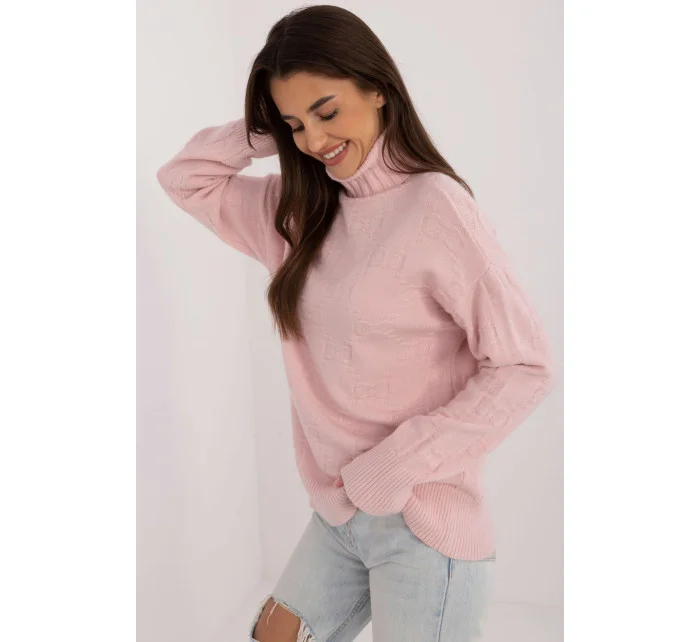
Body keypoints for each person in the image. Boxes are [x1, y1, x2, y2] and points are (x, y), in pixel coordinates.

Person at [156, 5, 557, 641]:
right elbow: (184, 179)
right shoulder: (297, 214)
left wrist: (395, 465)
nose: (313, 141)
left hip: (423, 521)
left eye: (326, 111)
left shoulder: (437, 207)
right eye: (295, 124)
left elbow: (523, 366)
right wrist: (262, 131)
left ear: (377, 89)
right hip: (338, 516)